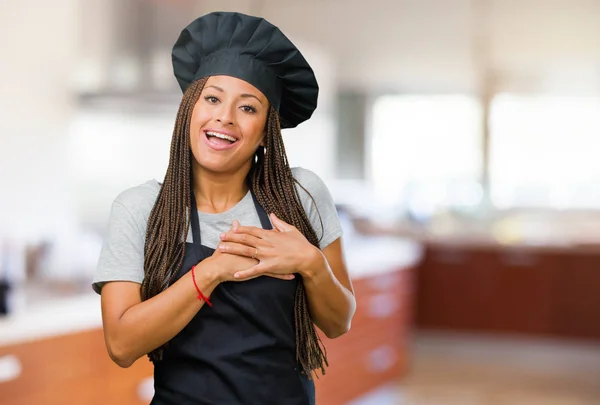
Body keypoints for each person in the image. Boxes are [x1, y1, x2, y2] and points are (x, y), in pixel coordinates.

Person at [92, 11, 356, 405]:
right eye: (212, 98)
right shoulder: (140, 208)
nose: (225, 117)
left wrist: (311, 263)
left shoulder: (301, 194)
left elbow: (338, 323)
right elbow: (122, 345)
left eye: (248, 108)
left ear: (267, 129)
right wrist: (212, 270)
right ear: (189, 110)